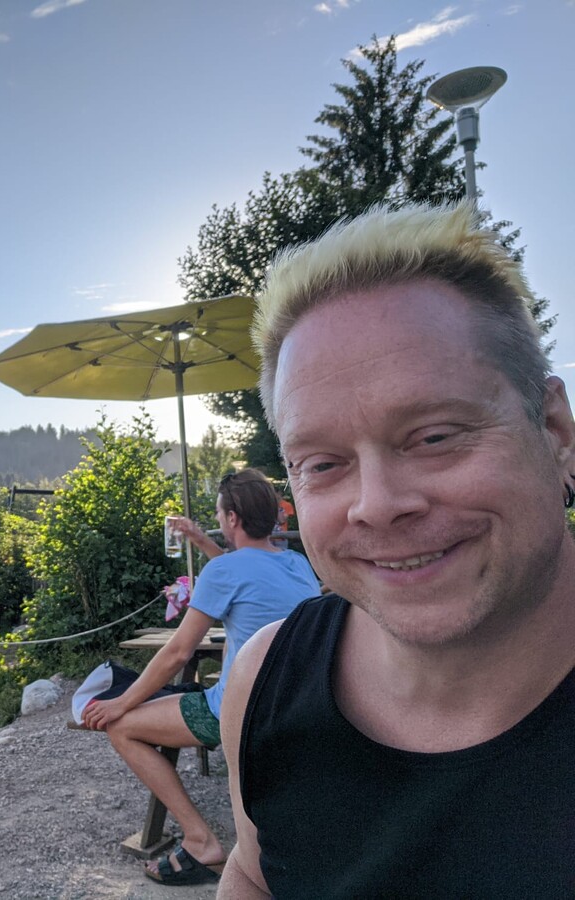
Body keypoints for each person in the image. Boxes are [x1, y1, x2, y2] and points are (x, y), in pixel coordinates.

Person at [219, 202, 575, 898]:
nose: (376, 504)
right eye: (322, 463)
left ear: (556, 432)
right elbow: (256, 873)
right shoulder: (263, 681)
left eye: (435, 435)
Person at [81, 468, 319, 886]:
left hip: (238, 714)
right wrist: (201, 540)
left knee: (122, 726)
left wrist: (121, 702)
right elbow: (246, 572)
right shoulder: (297, 565)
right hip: (296, 703)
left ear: (231, 519)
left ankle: (200, 840)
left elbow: (178, 652)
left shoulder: (225, 572)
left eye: (219, 513)